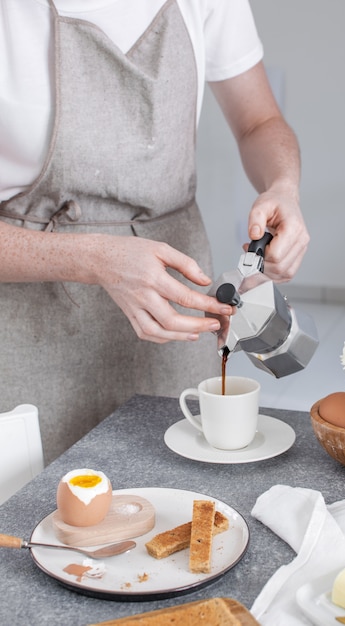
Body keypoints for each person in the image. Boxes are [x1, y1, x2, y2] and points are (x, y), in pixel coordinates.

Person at [0, 0, 309, 464]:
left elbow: (258, 122)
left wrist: (283, 186)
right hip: (25, 323)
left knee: (177, 499)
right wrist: (93, 258)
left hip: (175, 313)